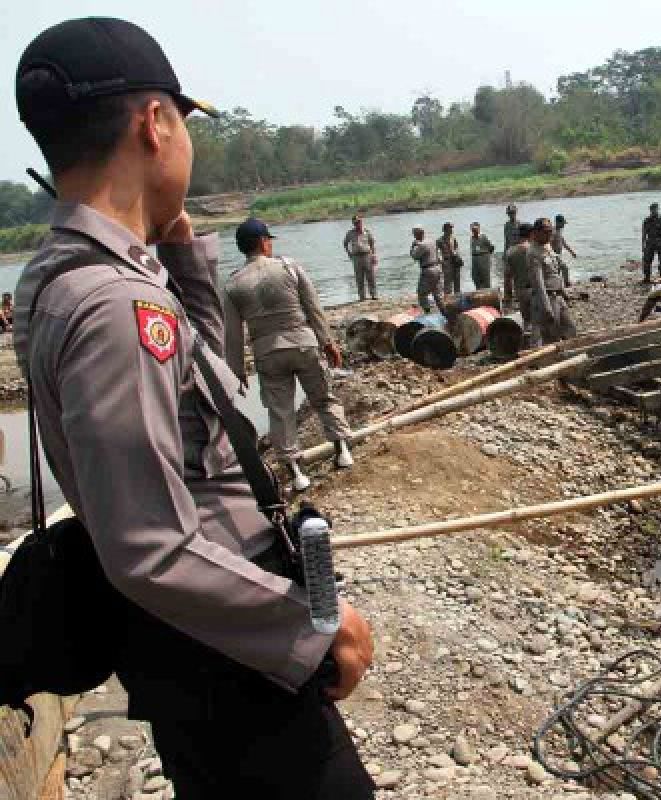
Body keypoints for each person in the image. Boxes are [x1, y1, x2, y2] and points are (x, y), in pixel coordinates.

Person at [12, 17, 374, 798]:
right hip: (225, 650)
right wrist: (311, 627)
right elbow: (151, 546)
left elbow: (204, 390)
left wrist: (179, 253)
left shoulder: (64, 279)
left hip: (201, 640)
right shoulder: (113, 304)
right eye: (183, 124)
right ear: (154, 123)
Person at [224, 218, 355, 492]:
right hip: (303, 344)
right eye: (269, 240)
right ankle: (342, 449)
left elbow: (233, 335)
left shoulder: (233, 284)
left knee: (280, 411)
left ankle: (296, 471)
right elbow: (313, 307)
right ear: (263, 242)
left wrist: (236, 370)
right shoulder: (288, 266)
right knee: (323, 397)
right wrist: (328, 342)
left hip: (267, 353)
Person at [528, 217, 576, 345]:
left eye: (551, 230)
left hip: (558, 295)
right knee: (552, 336)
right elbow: (538, 283)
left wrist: (564, 291)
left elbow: (555, 271)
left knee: (570, 329)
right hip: (547, 298)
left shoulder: (547, 246)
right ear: (536, 232)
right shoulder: (533, 252)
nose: (550, 234)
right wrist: (546, 306)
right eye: (546, 231)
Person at [503, 223, 534, 336]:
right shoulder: (534, 249)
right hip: (535, 289)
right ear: (531, 234)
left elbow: (507, 276)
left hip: (520, 290)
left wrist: (508, 295)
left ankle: (528, 344)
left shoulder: (510, 251)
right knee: (539, 321)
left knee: (527, 321)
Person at [341, 213, 377, 302]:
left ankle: (374, 294)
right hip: (356, 257)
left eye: (359, 222)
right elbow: (345, 243)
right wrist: (349, 253)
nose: (357, 224)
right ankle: (362, 297)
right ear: (353, 223)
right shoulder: (350, 233)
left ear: (361, 221)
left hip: (367, 255)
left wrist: (374, 255)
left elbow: (372, 243)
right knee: (359, 278)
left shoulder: (367, 231)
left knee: (371, 276)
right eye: (355, 222)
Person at [410, 226, 446, 314]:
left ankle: (427, 312)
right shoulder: (432, 241)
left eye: (414, 234)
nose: (414, 236)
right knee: (438, 294)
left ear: (417, 234)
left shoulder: (421, 245)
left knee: (421, 293)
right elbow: (439, 255)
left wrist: (413, 246)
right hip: (438, 268)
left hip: (428, 270)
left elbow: (414, 256)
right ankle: (445, 314)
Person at [641, 202, 661, 283]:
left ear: (657, 209)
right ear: (650, 210)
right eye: (652, 209)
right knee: (647, 261)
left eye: (655, 209)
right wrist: (643, 245)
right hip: (650, 242)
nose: (654, 211)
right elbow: (644, 233)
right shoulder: (647, 220)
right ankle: (647, 277)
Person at [436, 222, 462, 295]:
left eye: (451, 228)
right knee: (448, 282)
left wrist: (457, 255)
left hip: (455, 261)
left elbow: (457, 248)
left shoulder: (453, 238)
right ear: (445, 229)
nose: (451, 230)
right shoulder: (439, 240)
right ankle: (448, 298)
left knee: (457, 281)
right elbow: (437, 252)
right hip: (447, 262)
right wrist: (441, 260)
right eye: (450, 228)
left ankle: (458, 296)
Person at [551, 214, 576, 288]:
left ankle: (558, 286)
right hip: (553, 255)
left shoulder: (559, 231)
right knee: (565, 268)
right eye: (563, 223)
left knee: (558, 271)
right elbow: (548, 244)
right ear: (558, 222)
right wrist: (552, 255)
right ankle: (567, 284)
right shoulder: (553, 231)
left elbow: (564, 243)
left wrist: (572, 252)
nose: (564, 225)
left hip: (558, 255)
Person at [468, 222, 495, 290]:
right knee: (475, 277)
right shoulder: (472, 238)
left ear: (479, 229)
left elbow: (491, 247)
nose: (474, 231)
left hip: (483, 258)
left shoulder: (483, 237)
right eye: (473, 229)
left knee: (486, 278)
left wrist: (486, 256)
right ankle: (479, 291)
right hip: (475, 259)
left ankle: (488, 292)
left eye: (475, 229)